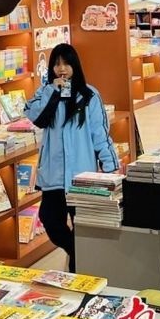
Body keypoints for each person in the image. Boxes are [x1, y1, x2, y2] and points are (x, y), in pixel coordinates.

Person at [24, 43, 119, 272]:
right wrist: (52, 91)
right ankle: (77, 253)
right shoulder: (45, 93)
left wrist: (110, 166)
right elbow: (35, 117)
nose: (62, 69)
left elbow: (99, 133)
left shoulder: (89, 95)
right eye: (57, 64)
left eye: (66, 63)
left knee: (82, 226)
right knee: (50, 220)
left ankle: (80, 272)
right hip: (54, 176)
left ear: (75, 66)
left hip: (81, 176)